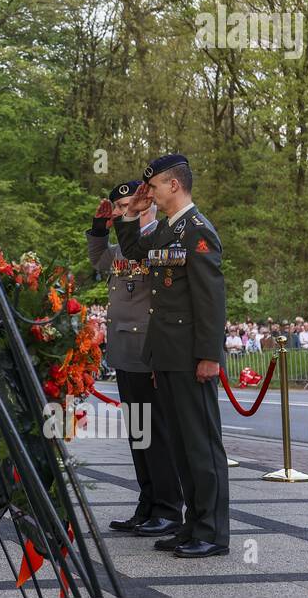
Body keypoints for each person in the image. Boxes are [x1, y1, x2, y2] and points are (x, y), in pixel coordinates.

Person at [115, 154, 230, 559]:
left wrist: (209, 356)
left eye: (156, 187)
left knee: (201, 445)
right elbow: (132, 251)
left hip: (190, 357)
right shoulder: (167, 230)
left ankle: (212, 532)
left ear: (175, 185)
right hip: (165, 354)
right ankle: (192, 525)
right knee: (181, 445)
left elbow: (210, 299)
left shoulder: (198, 231)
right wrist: (130, 213)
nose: (152, 194)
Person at [87, 181, 183, 537]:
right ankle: (148, 503)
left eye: (128, 205)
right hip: (125, 352)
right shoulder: (121, 247)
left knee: (157, 434)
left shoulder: (163, 237)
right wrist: (100, 227)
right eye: (118, 208)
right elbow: (98, 259)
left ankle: (169, 508)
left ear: (146, 203)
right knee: (140, 435)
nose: (122, 211)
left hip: (150, 350)